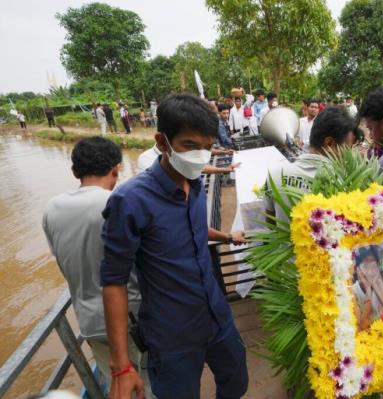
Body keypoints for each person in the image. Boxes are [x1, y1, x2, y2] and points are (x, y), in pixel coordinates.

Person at [101, 94, 248, 399]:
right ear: (163, 141)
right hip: (172, 336)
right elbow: (113, 281)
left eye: (206, 148)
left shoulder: (193, 182)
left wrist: (224, 236)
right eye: (190, 146)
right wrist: (121, 366)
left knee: (237, 383)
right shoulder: (130, 201)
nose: (199, 156)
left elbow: (191, 229)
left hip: (216, 316)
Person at [42, 137, 146, 387]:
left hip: (89, 321)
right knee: (146, 383)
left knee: (115, 385)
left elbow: (64, 261)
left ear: (75, 170)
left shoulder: (52, 209)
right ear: (116, 169)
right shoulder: (118, 203)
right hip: (131, 318)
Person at [265, 106, 355, 223]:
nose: (349, 154)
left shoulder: (274, 175)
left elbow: (270, 220)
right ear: (329, 143)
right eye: (347, 147)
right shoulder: (343, 183)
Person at [352, 246, 383, 331]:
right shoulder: (353, 291)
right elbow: (363, 325)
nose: (370, 272)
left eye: (374, 267)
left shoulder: (378, 283)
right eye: (366, 267)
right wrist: (368, 290)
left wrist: (376, 287)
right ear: (357, 269)